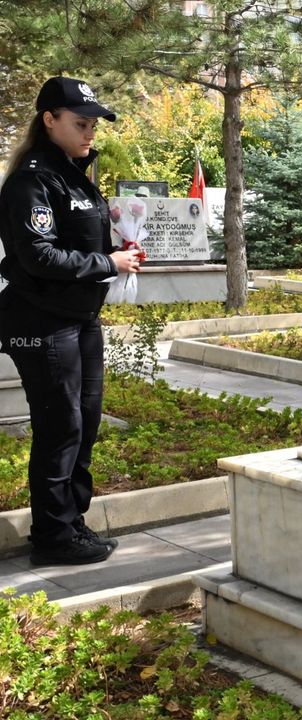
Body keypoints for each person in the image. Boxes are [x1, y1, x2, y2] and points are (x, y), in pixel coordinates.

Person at [0, 76, 143, 566]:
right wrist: (109, 264)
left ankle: (71, 522)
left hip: (78, 318)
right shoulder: (33, 180)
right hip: (41, 321)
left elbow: (77, 245)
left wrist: (113, 250)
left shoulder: (73, 174)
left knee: (84, 424)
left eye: (94, 125)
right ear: (49, 120)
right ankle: (53, 534)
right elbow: (38, 255)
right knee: (60, 425)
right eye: (81, 123)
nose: (90, 134)